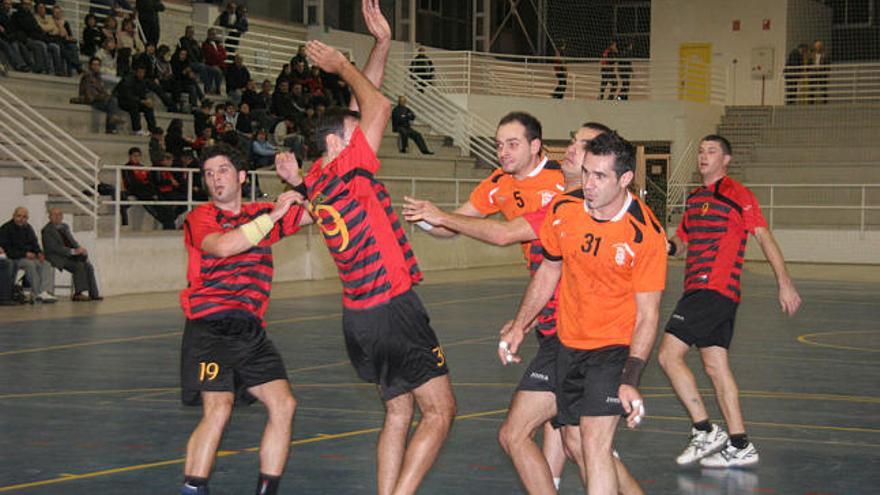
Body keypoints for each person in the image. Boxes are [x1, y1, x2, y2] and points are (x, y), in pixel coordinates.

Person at [403, 121, 643, 494]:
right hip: (556, 334)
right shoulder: (518, 188)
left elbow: (503, 234)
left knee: (583, 445)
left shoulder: (577, 203)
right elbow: (543, 267)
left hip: (592, 340)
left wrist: (441, 215)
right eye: (498, 144)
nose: (572, 150)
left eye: (512, 143)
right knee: (559, 440)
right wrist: (426, 220)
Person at [293, 3, 456, 494]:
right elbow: (378, 107)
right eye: (355, 130)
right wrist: (343, 65)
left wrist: (381, 46)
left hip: (359, 316)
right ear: (340, 144)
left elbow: (365, 108)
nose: (365, 129)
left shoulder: (319, 177)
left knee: (398, 411)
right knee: (440, 411)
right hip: (392, 308)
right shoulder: (348, 167)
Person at [500, 131, 667, 494]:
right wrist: (520, 325)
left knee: (593, 446)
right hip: (564, 344)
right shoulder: (565, 209)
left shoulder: (645, 234)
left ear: (625, 179)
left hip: (612, 351)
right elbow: (549, 270)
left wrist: (631, 376)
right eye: (586, 172)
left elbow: (649, 314)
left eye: (600, 176)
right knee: (516, 433)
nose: (588, 184)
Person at [659, 135, 802, 469]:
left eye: (711, 151)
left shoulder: (738, 195)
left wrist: (785, 283)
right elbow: (681, 242)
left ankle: (704, 429)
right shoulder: (694, 200)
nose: (703, 156)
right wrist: (664, 246)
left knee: (668, 355)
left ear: (726, 160)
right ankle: (740, 444)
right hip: (702, 290)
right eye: (700, 151)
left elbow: (763, 236)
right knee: (715, 367)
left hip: (715, 289)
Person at [178, 143, 306, 495]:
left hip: (250, 330)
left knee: (284, 404)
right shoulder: (199, 217)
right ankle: (193, 490)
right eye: (208, 173)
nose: (215, 179)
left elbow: (315, 212)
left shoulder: (261, 212)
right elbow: (224, 246)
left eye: (222, 170)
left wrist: (298, 182)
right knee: (219, 408)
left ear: (242, 176)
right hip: (210, 326)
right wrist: (273, 217)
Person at [41, 208, 101, 301]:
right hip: (56, 257)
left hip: (69, 255)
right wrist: (72, 251)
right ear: (49, 217)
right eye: (54, 215)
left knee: (88, 266)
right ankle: (78, 293)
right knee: (78, 266)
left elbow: (72, 241)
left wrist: (79, 249)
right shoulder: (46, 230)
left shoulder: (65, 227)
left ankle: (94, 293)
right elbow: (54, 248)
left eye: (60, 215)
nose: (57, 217)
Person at [0, 207, 57, 303]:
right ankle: (37, 293)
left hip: (29, 256)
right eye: (19, 216)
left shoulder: (28, 228)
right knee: (30, 264)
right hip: (15, 258)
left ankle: (45, 292)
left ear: (27, 218)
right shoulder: (6, 228)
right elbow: (7, 249)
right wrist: (24, 254)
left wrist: (39, 253)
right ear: (13, 216)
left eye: (24, 217)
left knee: (46, 264)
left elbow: (34, 243)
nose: (21, 219)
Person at [115, 65, 158, 135]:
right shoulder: (127, 80)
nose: (141, 74)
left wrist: (146, 101)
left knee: (148, 107)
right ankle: (137, 129)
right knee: (134, 106)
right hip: (123, 101)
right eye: (140, 72)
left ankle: (152, 129)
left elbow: (142, 94)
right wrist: (141, 101)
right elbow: (127, 95)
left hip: (137, 101)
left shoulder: (142, 81)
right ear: (136, 72)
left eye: (143, 73)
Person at [202, 28, 227, 94]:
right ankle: (216, 89)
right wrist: (219, 55)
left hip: (219, 65)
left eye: (215, 34)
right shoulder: (205, 44)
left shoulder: (218, 44)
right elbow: (210, 56)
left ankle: (221, 89)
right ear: (208, 35)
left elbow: (225, 55)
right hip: (210, 64)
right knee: (217, 71)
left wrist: (218, 55)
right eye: (212, 34)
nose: (214, 36)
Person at [808, 40, 830, 104]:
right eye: (817, 46)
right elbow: (809, 63)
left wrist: (825, 71)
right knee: (812, 87)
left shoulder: (825, 55)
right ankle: (811, 102)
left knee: (823, 88)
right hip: (813, 73)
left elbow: (827, 64)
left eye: (819, 46)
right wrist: (811, 69)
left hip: (821, 73)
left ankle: (824, 102)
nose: (818, 47)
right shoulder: (812, 55)